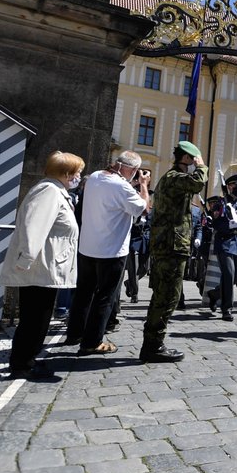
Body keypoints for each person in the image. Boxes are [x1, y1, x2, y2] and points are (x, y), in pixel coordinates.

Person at [1, 151, 84, 378]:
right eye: (77, 173)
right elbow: (34, 227)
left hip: (45, 266)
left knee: (38, 317)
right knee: (34, 318)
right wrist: (26, 259)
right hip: (38, 266)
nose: (79, 177)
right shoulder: (49, 191)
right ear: (66, 173)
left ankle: (28, 360)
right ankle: (22, 365)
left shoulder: (57, 191)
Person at [64, 150, 149, 355]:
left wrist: (132, 185)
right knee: (105, 297)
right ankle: (92, 342)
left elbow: (114, 192)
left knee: (83, 294)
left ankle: (74, 334)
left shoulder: (94, 177)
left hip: (87, 247)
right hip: (111, 250)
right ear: (134, 170)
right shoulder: (122, 186)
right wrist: (144, 185)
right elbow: (144, 208)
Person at [138, 141, 208, 363]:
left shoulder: (173, 178)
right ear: (187, 158)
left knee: (165, 294)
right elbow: (198, 183)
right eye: (193, 159)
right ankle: (153, 345)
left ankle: (152, 343)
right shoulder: (175, 178)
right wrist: (202, 167)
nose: (195, 163)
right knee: (168, 295)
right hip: (170, 246)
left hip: (170, 245)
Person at [208, 174, 237, 321]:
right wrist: (228, 226)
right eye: (236, 186)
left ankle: (214, 294)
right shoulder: (220, 204)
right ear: (229, 187)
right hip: (224, 243)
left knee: (234, 278)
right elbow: (215, 223)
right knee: (228, 274)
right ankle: (227, 309)